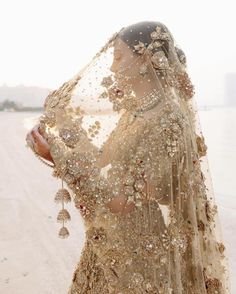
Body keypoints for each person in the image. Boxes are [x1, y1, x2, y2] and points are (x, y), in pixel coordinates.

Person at [26, 21, 231, 293]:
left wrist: (60, 158)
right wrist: (61, 128)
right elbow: (99, 159)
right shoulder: (136, 112)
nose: (112, 67)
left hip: (139, 254)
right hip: (110, 239)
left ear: (145, 57)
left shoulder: (168, 121)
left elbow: (123, 202)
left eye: (119, 56)